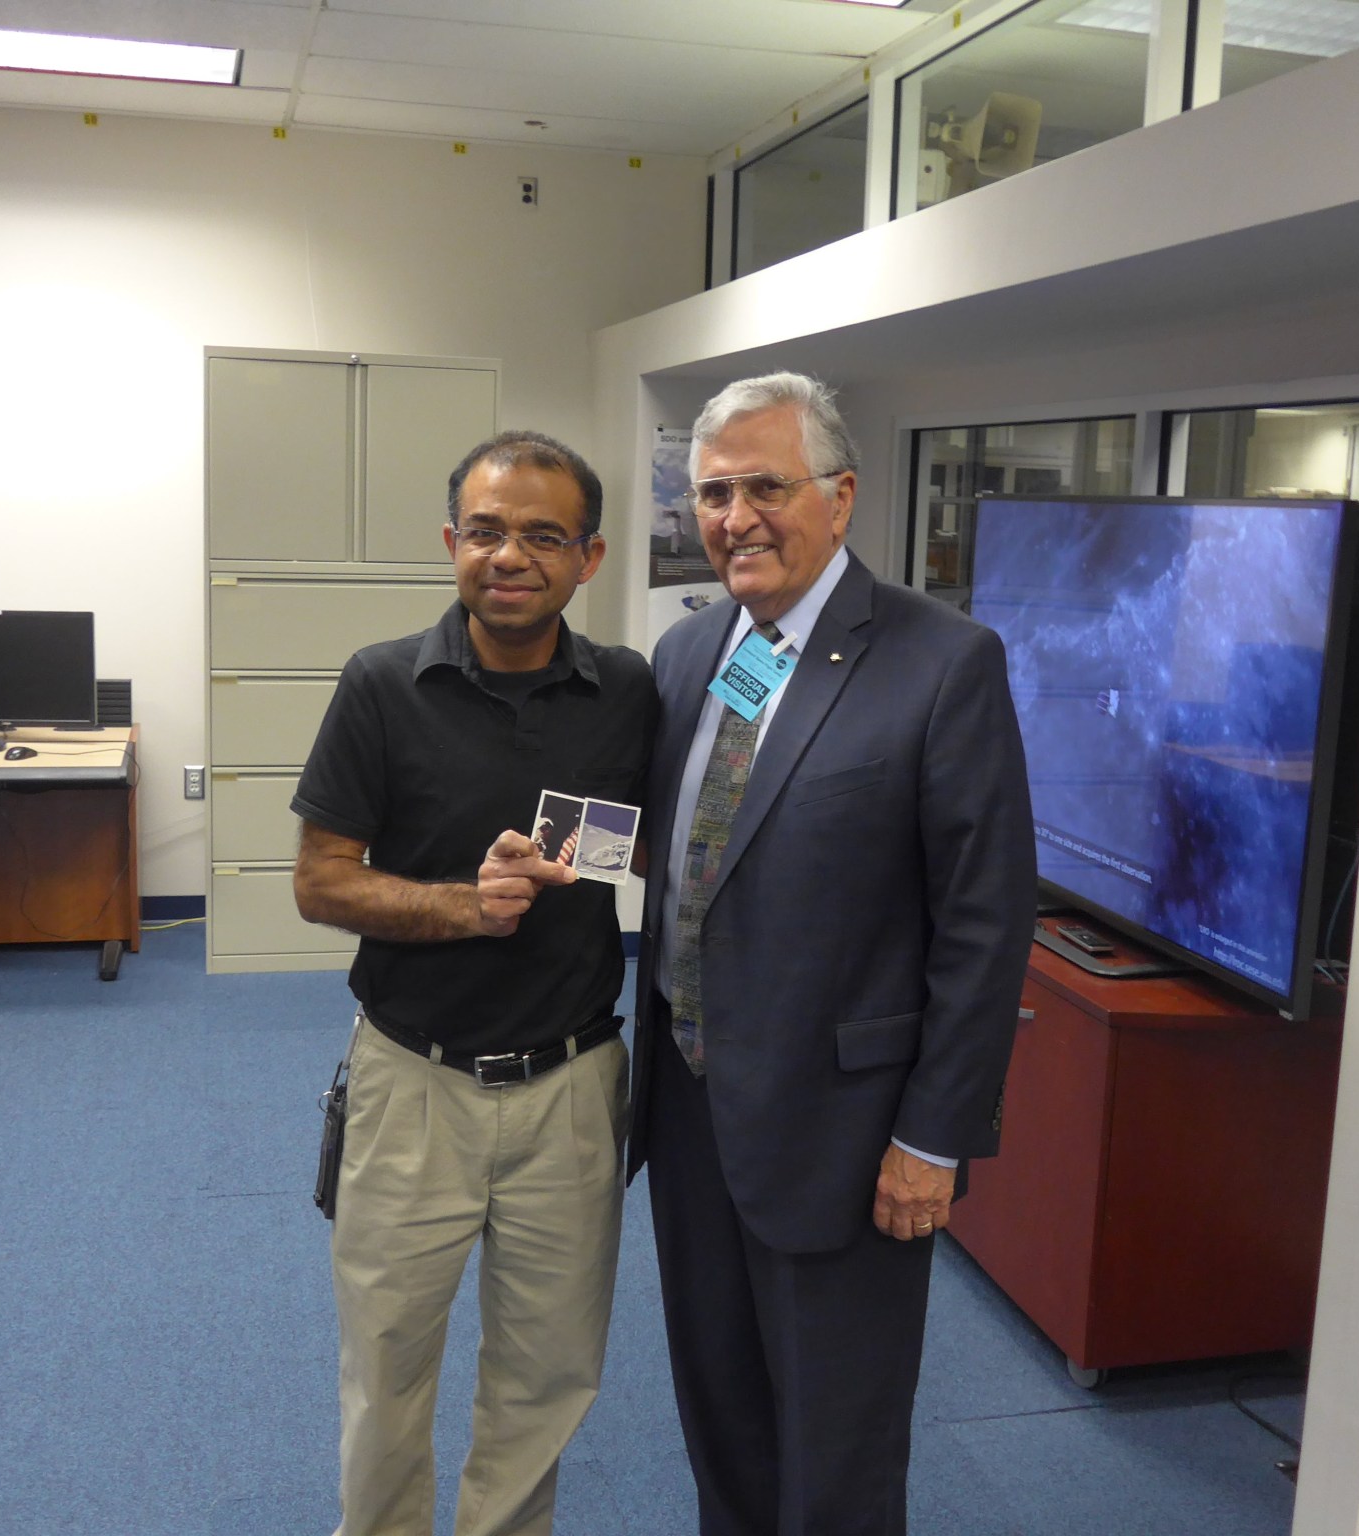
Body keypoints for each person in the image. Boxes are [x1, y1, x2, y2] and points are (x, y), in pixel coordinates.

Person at [630, 372, 1038, 1535]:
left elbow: (981, 918)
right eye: (714, 493)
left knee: (837, 1447)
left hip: (847, 1133)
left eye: (766, 486)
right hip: (691, 1105)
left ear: (841, 496)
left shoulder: (940, 660)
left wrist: (931, 1137)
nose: (735, 518)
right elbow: (691, 854)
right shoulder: (696, 649)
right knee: (720, 1415)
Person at [293, 430, 655, 1536]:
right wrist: (466, 905)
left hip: (573, 1090)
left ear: (588, 558)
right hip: (413, 1083)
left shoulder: (628, 692)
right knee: (388, 1373)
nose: (510, 556)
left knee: (546, 1378)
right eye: (487, 531)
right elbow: (319, 884)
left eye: (543, 536)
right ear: (452, 541)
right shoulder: (379, 685)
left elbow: (651, 847)